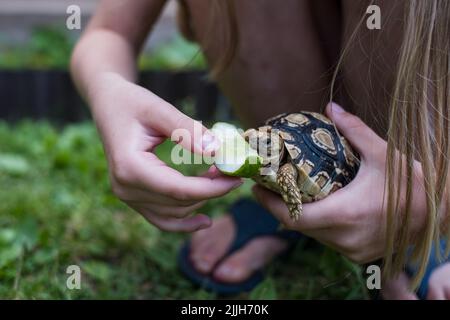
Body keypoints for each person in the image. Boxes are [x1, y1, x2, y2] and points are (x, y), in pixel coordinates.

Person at [71, 0, 450, 299]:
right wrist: (109, 90)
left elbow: (287, 169)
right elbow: (108, 32)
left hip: (427, 153)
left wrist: (442, 198)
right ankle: (295, 217)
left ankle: (422, 204)